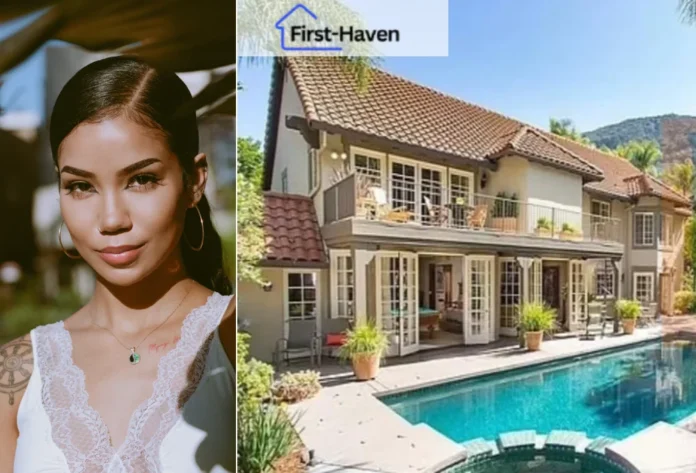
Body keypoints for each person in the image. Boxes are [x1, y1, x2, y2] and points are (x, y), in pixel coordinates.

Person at [0, 56, 236, 473]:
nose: (111, 220)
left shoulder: (234, 336)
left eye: (141, 179)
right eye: (80, 186)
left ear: (195, 181)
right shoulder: (15, 373)